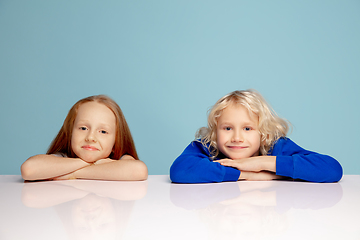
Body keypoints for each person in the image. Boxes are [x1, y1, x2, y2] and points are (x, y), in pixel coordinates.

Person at [170, 89, 343, 183]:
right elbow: (180, 171)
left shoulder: (276, 146)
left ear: (264, 133)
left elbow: (332, 169)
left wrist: (261, 163)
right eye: (227, 128)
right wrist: (248, 174)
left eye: (247, 129)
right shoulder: (207, 146)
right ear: (215, 131)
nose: (237, 138)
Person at [21, 95, 148, 181]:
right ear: (70, 133)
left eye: (103, 131)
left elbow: (139, 170)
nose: (91, 137)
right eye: (83, 128)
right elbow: (29, 169)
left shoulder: (119, 159)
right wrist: (87, 163)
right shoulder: (65, 157)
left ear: (116, 141)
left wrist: (74, 174)